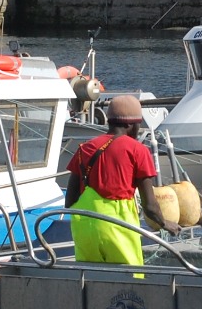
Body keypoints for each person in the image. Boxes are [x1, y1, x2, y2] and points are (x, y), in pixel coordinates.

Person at [64, 94, 178, 264]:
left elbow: (70, 200)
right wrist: (165, 223)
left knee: (90, 281)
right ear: (130, 124)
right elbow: (150, 206)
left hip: (84, 228)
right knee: (129, 283)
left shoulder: (85, 148)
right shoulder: (137, 150)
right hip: (118, 228)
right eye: (138, 123)